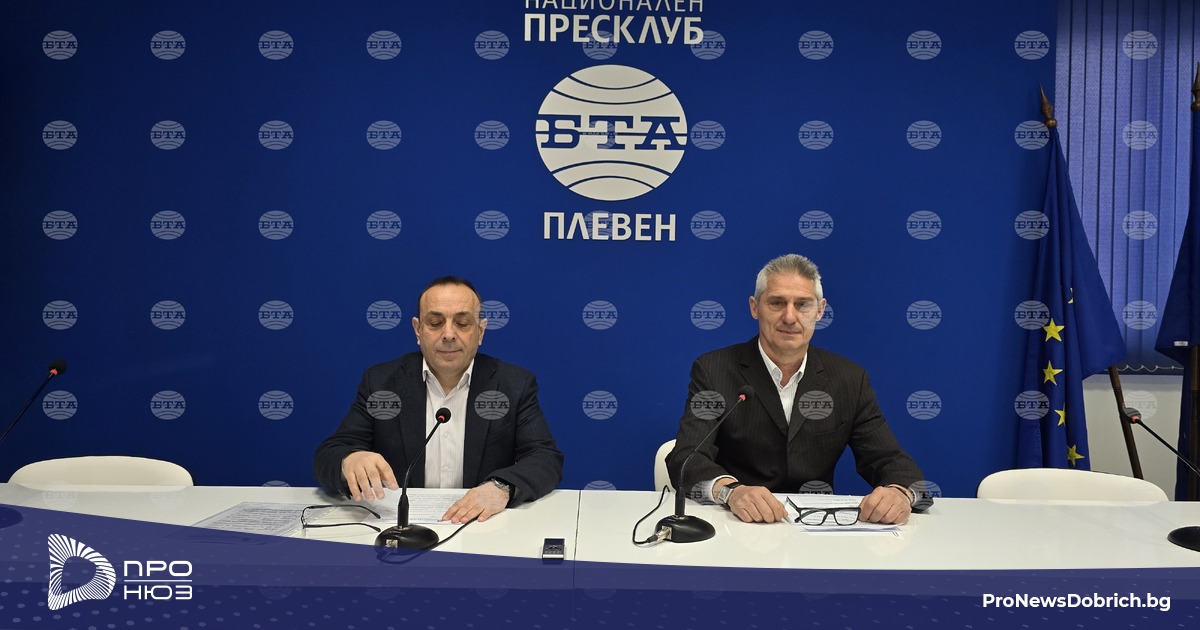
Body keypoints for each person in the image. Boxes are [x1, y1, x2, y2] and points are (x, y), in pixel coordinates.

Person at [666, 254, 926, 525]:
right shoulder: (714, 369)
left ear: (820, 311)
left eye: (803, 304)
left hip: (817, 529)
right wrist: (731, 492)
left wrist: (899, 493)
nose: (790, 317)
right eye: (777, 303)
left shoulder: (849, 379)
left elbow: (896, 465)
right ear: (755, 307)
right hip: (738, 524)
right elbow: (686, 458)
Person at [314, 276, 563, 523]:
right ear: (418, 330)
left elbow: (544, 457)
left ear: (480, 332)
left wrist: (501, 487)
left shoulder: (513, 384)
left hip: (482, 525)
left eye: (462, 323)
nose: (449, 334)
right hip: (400, 524)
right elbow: (329, 454)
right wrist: (349, 460)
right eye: (435, 323)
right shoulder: (381, 382)